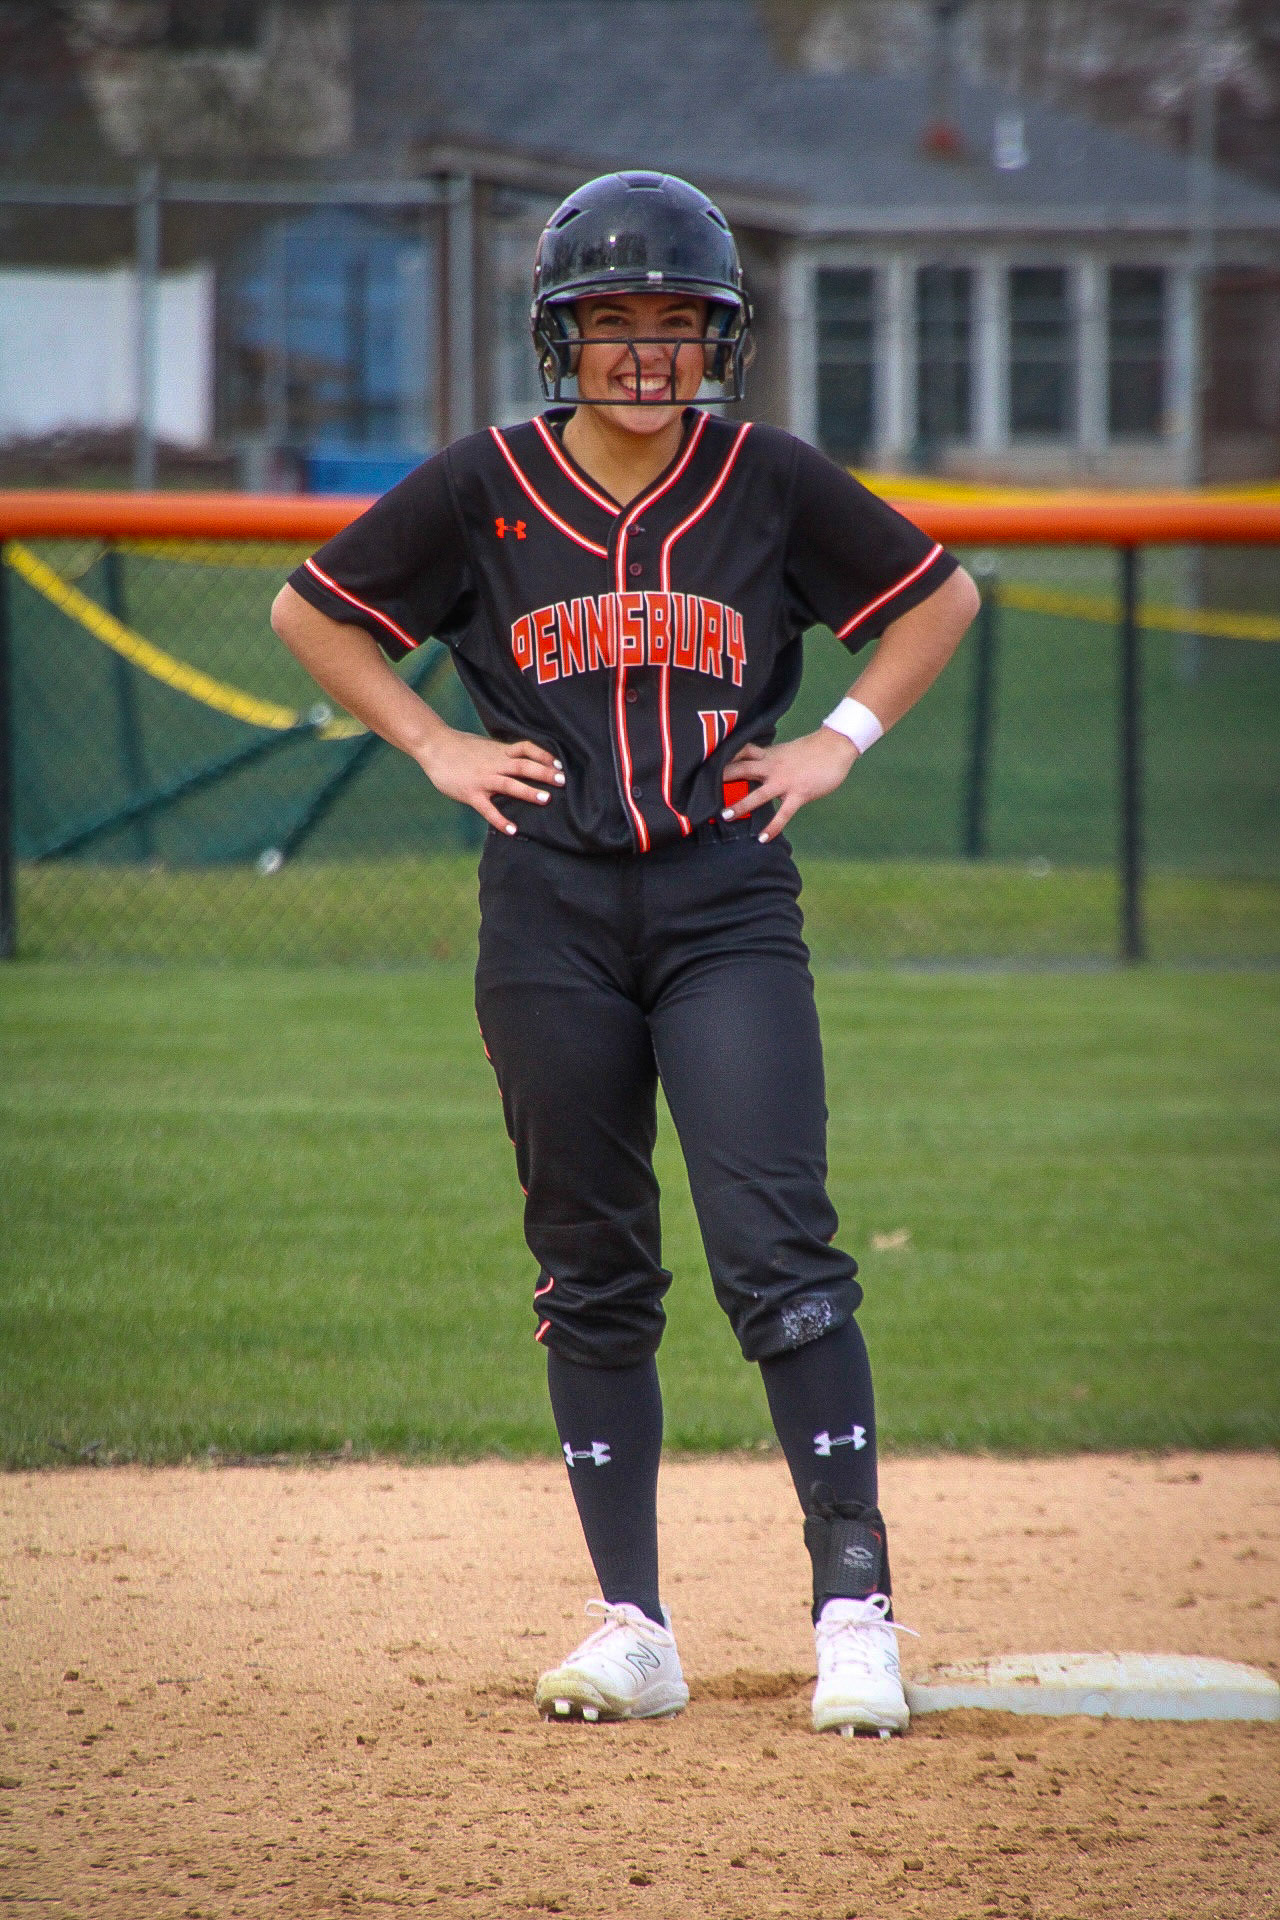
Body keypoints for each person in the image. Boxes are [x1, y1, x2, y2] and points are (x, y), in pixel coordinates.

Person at [272, 171, 978, 1738]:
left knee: (778, 1251)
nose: (646, 353)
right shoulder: (483, 485)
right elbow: (310, 615)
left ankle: (855, 1611)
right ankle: (633, 1625)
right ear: (560, 337)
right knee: (589, 1267)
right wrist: (433, 744)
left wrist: (841, 740)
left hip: (726, 901)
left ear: (722, 339)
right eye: (612, 322)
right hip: (549, 913)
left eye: (678, 322)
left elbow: (937, 601)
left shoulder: (769, 478)